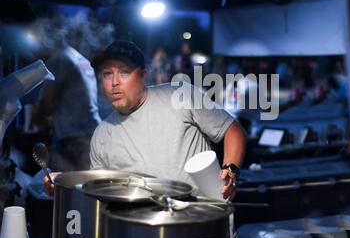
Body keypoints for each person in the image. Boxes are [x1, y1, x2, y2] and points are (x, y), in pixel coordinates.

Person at [45, 40, 246, 200]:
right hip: (146, 230)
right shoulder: (102, 134)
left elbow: (232, 130)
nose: (114, 83)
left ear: (143, 76)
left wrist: (230, 169)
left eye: (124, 72)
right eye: (107, 74)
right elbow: (100, 189)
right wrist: (65, 183)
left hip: (203, 219)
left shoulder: (180, 95)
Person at [32, 17, 101, 171]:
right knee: (88, 186)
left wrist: (34, 120)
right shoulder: (78, 57)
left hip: (73, 137)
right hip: (91, 133)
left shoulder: (58, 60)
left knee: (67, 188)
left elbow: (47, 102)